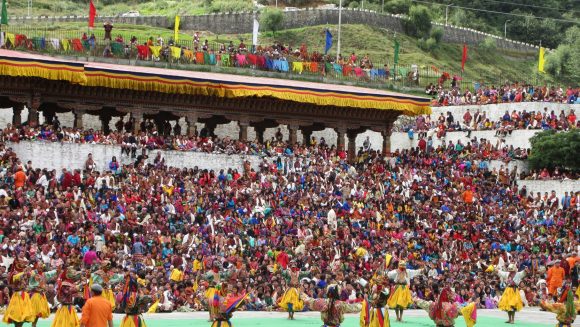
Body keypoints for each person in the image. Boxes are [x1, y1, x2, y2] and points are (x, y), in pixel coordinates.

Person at [3, 256, 33, 327]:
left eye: (23, 261)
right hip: (17, 295)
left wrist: (28, 272)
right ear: (17, 263)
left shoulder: (24, 272)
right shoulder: (14, 273)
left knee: (23, 317)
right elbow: (15, 279)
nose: (23, 263)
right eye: (21, 262)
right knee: (17, 316)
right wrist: (24, 272)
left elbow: (30, 276)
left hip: (24, 294)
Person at [52, 263, 83, 327]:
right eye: (73, 272)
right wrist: (79, 286)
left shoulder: (69, 283)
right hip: (65, 307)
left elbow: (72, 291)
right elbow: (68, 291)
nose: (75, 273)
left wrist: (79, 286)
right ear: (68, 274)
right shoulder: (65, 283)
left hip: (69, 306)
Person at [28, 262, 57, 327]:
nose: (40, 266)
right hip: (35, 295)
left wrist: (57, 270)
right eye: (39, 265)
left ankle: (34, 325)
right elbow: (34, 276)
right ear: (36, 266)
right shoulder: (33, 272)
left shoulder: (44, 274)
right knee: (34, 313)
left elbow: (50, 273)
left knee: (37, 314)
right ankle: (33, 325)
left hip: (41, 295)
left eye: (41, 265)